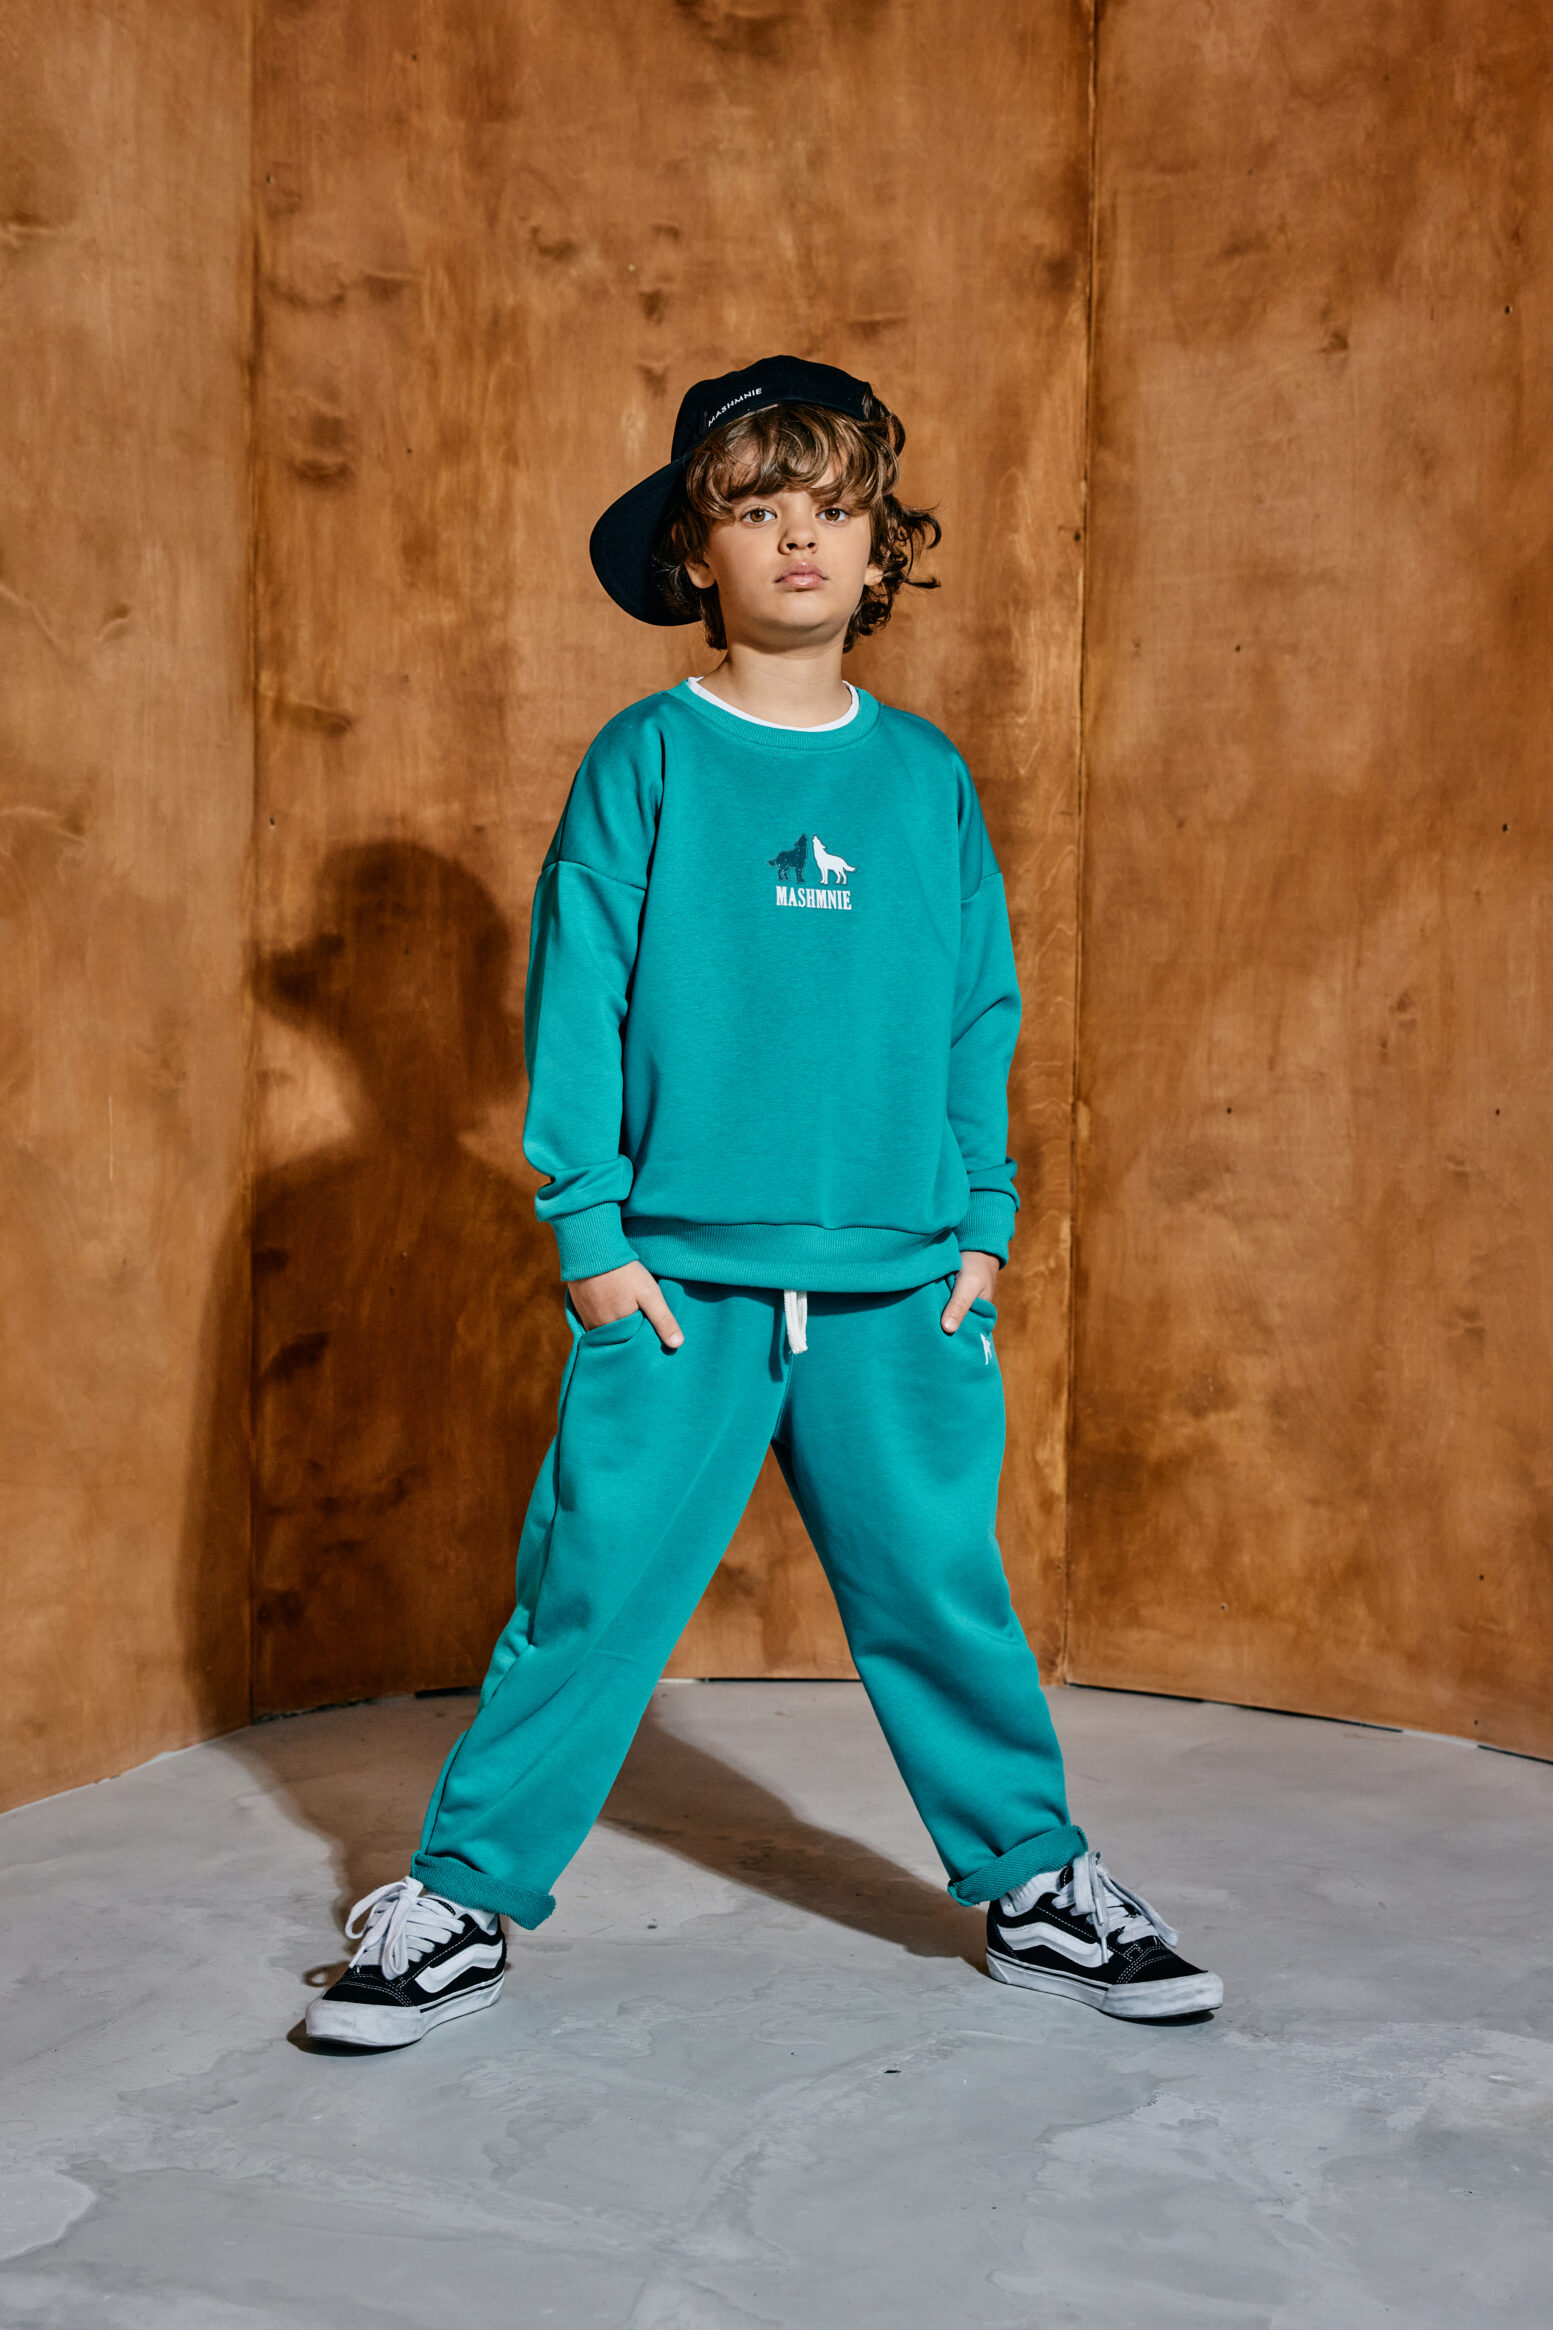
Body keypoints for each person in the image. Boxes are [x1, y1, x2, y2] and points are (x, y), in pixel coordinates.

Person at [304, 355, 1223, 2049]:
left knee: (942, 1595)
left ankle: (1037, 1880)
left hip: (902, 1283)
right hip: (678, 1284)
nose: (799, 536)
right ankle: (461, 1896)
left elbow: (977, 1009)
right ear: (694, 551)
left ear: (879, 549)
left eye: (834, 506)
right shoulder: (647, 757)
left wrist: (982, 1222)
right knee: (592, 1596)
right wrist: (592, 1239)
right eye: (755, 507)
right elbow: (577, 1001)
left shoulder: (925, 777)